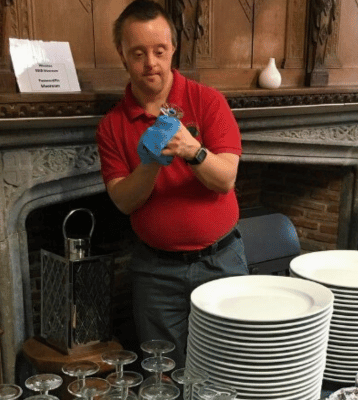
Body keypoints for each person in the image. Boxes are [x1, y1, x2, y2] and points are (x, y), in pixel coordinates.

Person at [96, 0, 248, 368]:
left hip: (221, 261)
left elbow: (226, 179)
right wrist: (149, 164)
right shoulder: (111, 126)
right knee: (163, 375)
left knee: (229, 367)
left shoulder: (208, 101)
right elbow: (123, 202)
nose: (151, 63)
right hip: (155, 272)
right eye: (138, 53)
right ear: (122, 54)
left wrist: (192, 150)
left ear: (172, 50)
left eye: (159, 51)